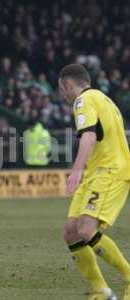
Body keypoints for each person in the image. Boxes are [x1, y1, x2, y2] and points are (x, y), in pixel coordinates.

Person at [59, 64, 130, 300]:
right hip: (97, 172)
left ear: (67, 85)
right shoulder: (104, 98)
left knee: (86, 230)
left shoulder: (83, 101)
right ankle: (101, 289)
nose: (64, 96)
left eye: (63, 90)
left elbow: (89, 135)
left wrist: (76, 170)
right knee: (71, 232)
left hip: (108, 171)